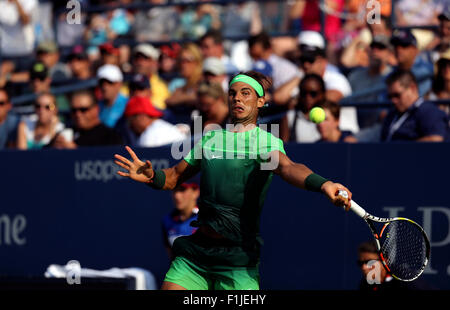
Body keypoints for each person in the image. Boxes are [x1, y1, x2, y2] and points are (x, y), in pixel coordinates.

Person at [114, 70, 353, 290]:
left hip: (238, 259)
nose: (237, 98)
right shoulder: (210, 140)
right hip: (196, 254)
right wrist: (151, 175)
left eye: (245, 93)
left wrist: (323, 184)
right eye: (232, 93)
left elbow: (288, 167)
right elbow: (174, 176)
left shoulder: (265, 143)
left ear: (260, 101)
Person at [381, 69, 448, 142]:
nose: (393, 100)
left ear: (413, 88)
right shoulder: (392, 114)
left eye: (397, 95)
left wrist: (402, 149)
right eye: (390, 97)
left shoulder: (428, 112)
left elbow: (435, 139)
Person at [51, 90, 123, 149]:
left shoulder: (110, 137)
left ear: (96, 109)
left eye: (83, 110)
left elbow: (108, 162)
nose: (78, 114)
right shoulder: (65, 132)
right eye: (74, 110)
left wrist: (75, 152)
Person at [357, 241, 432, 291]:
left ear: (384, 261)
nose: (364, 267)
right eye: (361, 263)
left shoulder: (404, 279)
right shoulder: (365, 284)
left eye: (369, 262)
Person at [162, 182, 200, 261]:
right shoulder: (167, 221)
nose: (177, 196)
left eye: (182, 190)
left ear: (196, 192)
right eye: (175, 190)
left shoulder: (208, 220)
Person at [390, 29, 433, 96]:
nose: (399, 50)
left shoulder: (428, 70)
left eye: (404, 46)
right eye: (396, 46)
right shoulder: (391, 72)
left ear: (415, 50)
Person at [284, 73, 326, 143]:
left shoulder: (332, 115)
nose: (308, 98)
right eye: (304, 93)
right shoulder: (289, 117)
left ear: (322, 94)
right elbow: (284, 147)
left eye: (313, 93)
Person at [132, 44, 170, 111]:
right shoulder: (124, 85)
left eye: (145, 58)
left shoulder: (161, 88)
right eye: (137, 58)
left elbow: (157, 111)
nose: (140, 62)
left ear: (154, 62)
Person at [97, 64, 129, 128]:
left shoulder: (128, 105)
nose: (105, 87)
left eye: (110, 83)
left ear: (119, 84)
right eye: (101, 83)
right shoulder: (96, 106)